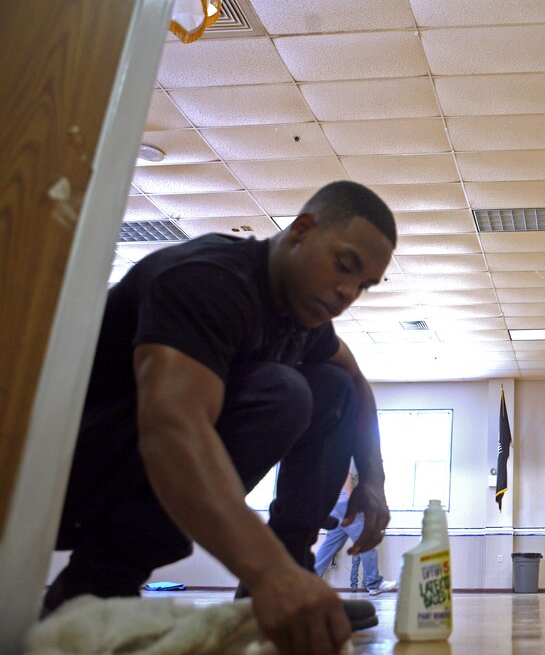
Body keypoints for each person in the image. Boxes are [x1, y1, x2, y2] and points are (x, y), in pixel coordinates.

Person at [45, 181, 397, 655]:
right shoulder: (208, 280)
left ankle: (281, 589)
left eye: (363, 286)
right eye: (344, 265)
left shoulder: (301, 318)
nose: (346, 293)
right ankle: (98, 582)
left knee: (330, 390)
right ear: (301, 230)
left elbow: (354, 381)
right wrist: (266, 569)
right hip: (59, 476)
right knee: (285, 392)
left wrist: (373, 480)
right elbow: (173, 429)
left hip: (132, 471)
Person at [314, 474, 397, 595]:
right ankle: (374, 584)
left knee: (329, 546)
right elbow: (347, 476)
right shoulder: (352, 455)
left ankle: (311, 579)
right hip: (346, 505)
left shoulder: (331, 456)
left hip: (335, 506)